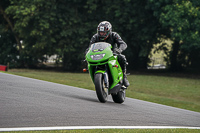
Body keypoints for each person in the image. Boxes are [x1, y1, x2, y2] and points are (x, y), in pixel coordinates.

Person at [85, 21, 130, 87]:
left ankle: (124, 76)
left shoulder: (114, 35)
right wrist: (87, 54)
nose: (102, 34)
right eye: (100, 32)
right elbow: (90, 47)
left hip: (112, 54)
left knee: (122, 58)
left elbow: (123, 44)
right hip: (99, 55)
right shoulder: (95, 37)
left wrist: (119, 50)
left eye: (104, 32)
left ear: (109, 31)